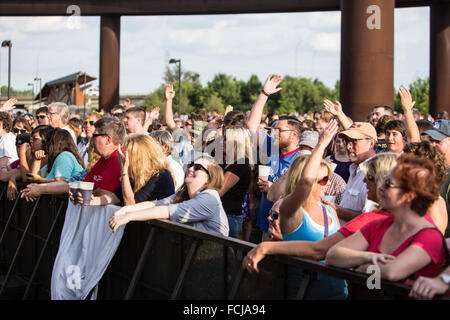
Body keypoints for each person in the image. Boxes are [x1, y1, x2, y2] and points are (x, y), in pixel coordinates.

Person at [243, 152, 400, 274]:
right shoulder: (411, 219)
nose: (364, 181)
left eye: (370, 177)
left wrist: (265, 248)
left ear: (383, 182)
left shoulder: (373, 219)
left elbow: (322, 251)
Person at [325, 154, 446, 284]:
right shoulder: (379, 224)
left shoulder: (429, 236)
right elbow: (333, 255)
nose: (381, 186)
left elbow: (392, 272)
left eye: (388, 183)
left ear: (410, 195)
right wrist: (369, 257)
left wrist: (359, 265)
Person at [109, 156, 229, 237]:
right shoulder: (183, 194)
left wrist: (129, 216)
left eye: (198, 168)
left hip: (213, 261)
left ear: (209, 179)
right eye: (191, 165)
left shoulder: (210, 197)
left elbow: (168, 211)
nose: (191, 169)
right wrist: (125, 210)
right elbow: (156, 204)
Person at [246, 74, 302, 240]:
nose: (274, 133)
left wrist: (276, 190)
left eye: (280, 130)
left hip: (287, 226)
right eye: (273, 129)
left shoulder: (302, 158)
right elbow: (252, 125)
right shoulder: (272, 146)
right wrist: (264, 94)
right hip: (266, 220)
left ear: (294, 135)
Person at [76, 133, 174, 206]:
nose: (123, 156)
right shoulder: (137, 175)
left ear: (138, 156)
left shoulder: (160, 175)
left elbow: (130, 204)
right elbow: (114, 197)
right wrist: (91, 201)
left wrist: (124, 171)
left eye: (126, 153)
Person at [219, 126, 254, 238]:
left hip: (229, 217)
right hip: (226, 215)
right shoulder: (232, 162)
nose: (222, 141)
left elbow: (219, 191)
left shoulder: (240, 164)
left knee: (226, 254)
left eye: (226, 139)